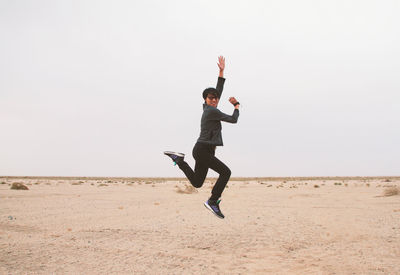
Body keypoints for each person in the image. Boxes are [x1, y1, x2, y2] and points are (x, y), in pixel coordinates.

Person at [164, 56, 240, 219]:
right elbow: (233, 120)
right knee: (226, 172)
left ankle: (179, 160)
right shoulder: (212, 111)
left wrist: (221, 72)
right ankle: (213, 201)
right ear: (205, 100)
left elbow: (218, 90)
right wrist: (236, 106)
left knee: (197, 182)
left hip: (204, 150)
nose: (214, 100)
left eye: (215, 98)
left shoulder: (209, 108)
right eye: (210, 98)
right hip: (202, 150)